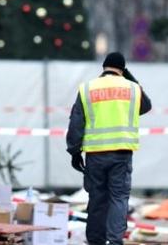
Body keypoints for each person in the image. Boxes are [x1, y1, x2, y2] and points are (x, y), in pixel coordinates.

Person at [66, 52, 152, 245]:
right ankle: (114, 242)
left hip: (95, 155)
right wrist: (130, 77)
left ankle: (95, 241)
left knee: (97, 199)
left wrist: (74, 151)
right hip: (121, 154)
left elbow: (76, 122)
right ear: (123, 69)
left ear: (103, 67)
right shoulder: (132, 89)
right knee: (118, 198)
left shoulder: (87, 88)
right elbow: (146, 106)